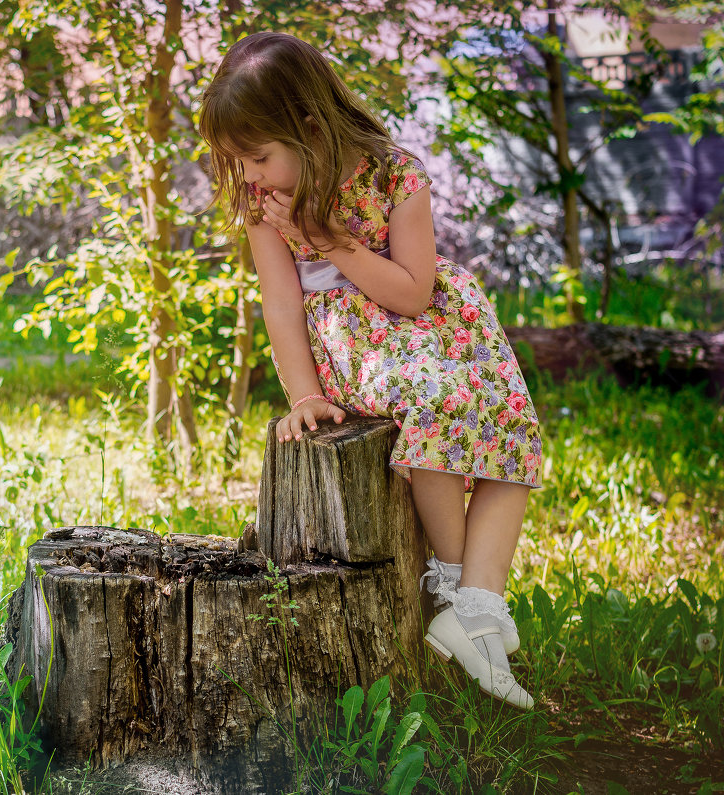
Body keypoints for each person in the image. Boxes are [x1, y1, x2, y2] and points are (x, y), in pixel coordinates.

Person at [198, 31, 543, 710]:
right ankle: (454, 589)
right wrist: (302, 391)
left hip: (436, 322)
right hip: (363, 344)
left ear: (307, 126)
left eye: (258, 156)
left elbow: (414, 292)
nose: (251, 176)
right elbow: (282, 304)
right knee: (432, 397)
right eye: (238, 161)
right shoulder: (267, 209)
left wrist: (330, 238)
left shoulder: (395, 175)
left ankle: (476, 604)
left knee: (514, 432)